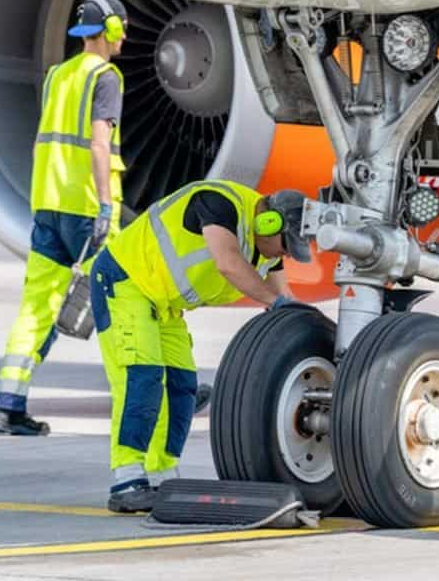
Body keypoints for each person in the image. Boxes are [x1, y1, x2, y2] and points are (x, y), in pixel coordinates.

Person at [89, 179, 309, 513]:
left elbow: (284, 300)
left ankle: (162, 475)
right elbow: (228, 262)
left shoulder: (268, 250)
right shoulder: (220, 203)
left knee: (182, 388)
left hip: (166, 304)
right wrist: (275, 303)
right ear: (269, 222)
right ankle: (127, 479)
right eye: (286, 244)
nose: (285, 254)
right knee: (141, 380)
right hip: (126, 282)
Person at [0, 0, 129, 435]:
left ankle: (8, 406)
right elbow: (99, 144)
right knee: (121, 301)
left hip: (48, 205)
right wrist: (106, 205)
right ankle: (151, 392)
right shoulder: (105, 77)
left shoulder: (58, 76)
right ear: (107, 30)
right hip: (88, 208)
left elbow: (43, 139)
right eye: (121, 27)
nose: (125, 35)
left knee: (37, 307)